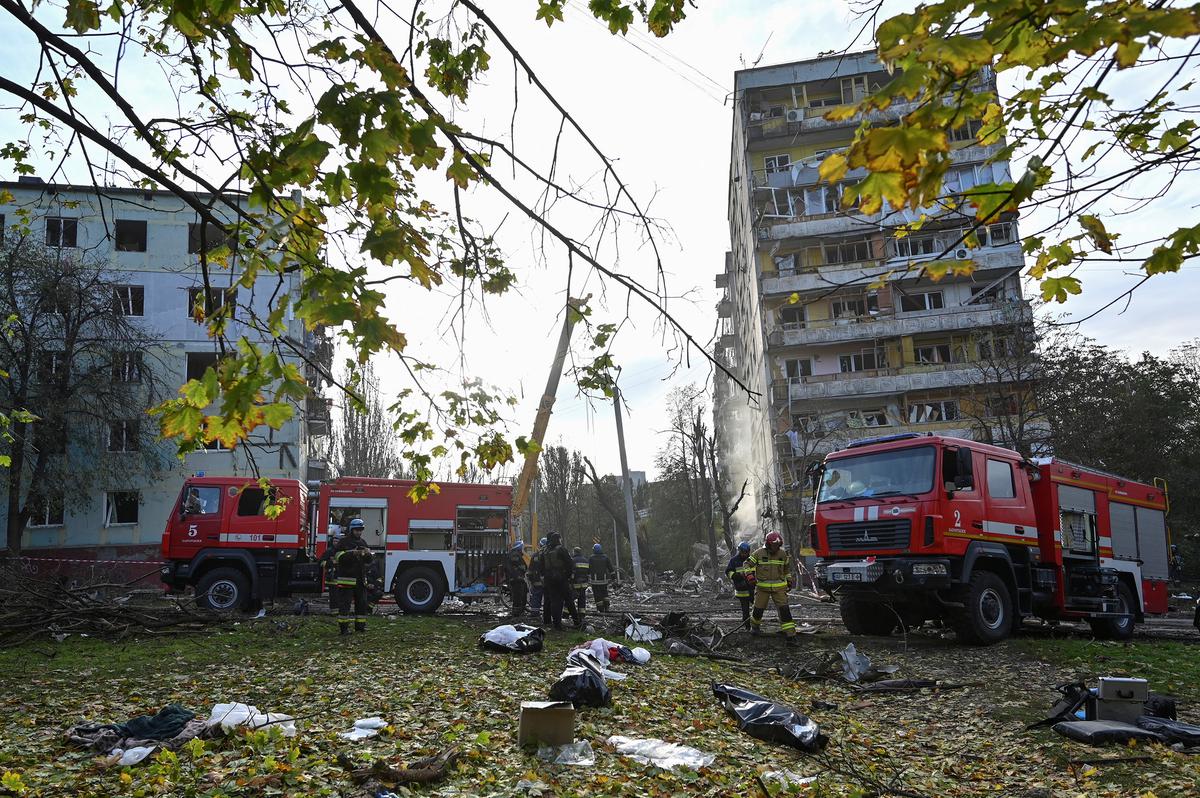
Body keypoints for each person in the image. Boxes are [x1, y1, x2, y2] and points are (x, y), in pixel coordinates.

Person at [747, 531, 797, 644]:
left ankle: (790, 636)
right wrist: (749, 575)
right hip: (762, 588)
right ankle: (754, 628)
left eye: (778, 545)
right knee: (758, 610)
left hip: (779, 588)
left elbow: (786, 569)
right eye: (774, 545)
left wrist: (789, 580)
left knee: (784, 611)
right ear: (768, 544)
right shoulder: (759, 553)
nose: (776, 547)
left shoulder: (783, 554)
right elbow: (747, 564)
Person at [330, 518, 373, 635]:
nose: (359, 532)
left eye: (360, 530)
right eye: (357, 530)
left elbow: (368, 561)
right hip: (347, 579)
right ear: (351, 530)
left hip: (360, 579)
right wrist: (352, 554)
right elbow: (338, 557)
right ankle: (343, 629)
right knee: (345, 605)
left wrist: (368, 554)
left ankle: (360, 627)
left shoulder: (363, 542)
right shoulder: (344, 542)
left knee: (362, 603)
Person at [541, 531, 581, 630]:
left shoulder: (545, 551)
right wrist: (568, 576)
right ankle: (577, 621)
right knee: (569, 600)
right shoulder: (561, 550)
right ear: (558, 539)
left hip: (549, 579)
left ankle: (557, 625)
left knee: (555, 602)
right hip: (561, 579)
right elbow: (569, 563)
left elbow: (542, 567)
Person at [725, 541, 754, 622]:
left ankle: (755, 626)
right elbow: (728, 572)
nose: (744, 554)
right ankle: (747, 626)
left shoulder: (752, 560)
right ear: (739, 551)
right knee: (745, 611)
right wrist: (738, 575)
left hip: (752, 589)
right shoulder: (734, 561)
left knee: (757, 609)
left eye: (745, 552)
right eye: (742, 552)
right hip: (741, 590)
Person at [588, 543, 614, 612]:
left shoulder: (591, 558)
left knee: (597, 595)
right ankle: (607, 607)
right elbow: (611, 568)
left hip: (595, 581)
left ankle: (601, 609)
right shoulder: (605, 557)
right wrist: (613, 577)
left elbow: (589, 569)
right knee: (605, 593)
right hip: (604, 580)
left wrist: (586, 576)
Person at [505, 540, 529, 616]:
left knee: (522, 593)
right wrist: (522, 569)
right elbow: (518, 566)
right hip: (516, 578)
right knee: (518, 596)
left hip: (517, 578)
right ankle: (516, 613)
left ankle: (520, 610)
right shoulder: (515, 554)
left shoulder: (515, 554)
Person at [528, 536, 547, 615]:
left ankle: (534, 613)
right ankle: (547, 614)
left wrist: (531, 580)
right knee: (547, 598)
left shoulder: (535, 555)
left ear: (540, 545)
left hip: (536, 581)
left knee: (536, 596)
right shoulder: (548, 554)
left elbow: (530, 569)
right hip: (546, 581)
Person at [571, 547, 590, 611]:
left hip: (575, 583)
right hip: (584, 583)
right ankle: (581, 613)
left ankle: (566, 613)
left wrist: (570, 581)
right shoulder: (586, 560)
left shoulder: (572, 560)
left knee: (570, 598)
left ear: (575, 552)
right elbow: (588, 572)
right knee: (582, 598)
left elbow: (571, 572)